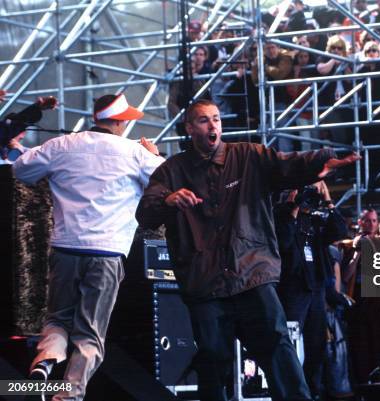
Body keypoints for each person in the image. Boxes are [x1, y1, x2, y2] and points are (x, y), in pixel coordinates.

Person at [135, 99, 358, 401]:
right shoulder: (172, 170)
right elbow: (146, 212)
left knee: (278, 345)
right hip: (205, 282)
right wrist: (169, 199)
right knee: (213, 358)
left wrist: (323, 160)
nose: (212, 126)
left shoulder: (249, 156)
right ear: (189, 128)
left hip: (251, 272)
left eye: (216, 119)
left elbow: (288, 164)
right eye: (203, 120)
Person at [13, 93, 164, 400]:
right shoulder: (133, 153)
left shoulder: (62, 145)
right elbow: (167, 180)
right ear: (120, 122)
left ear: (97, 118)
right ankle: (68, 395)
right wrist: (154, 153)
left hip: (66, 249)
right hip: (107, 253)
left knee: (56, 319)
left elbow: (21, 169)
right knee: (90, 333)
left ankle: (45, 361)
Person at [274, 181, 348, 399]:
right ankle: (291, 392)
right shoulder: (280, 215)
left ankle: (312, 392)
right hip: (293, 289)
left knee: (317, 346)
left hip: (315, 288)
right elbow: (284, 244)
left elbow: (339, 230)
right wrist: (292, 207)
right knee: (292, 346)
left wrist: (327, 200)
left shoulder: (315, 220)